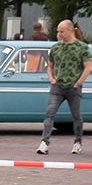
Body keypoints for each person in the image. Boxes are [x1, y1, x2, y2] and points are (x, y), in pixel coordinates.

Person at [37, 19, 88, 155]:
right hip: (57, 87)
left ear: (70, 31)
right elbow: (50, 66)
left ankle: (77, 142)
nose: (59, 34)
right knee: (49, 113)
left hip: (73, 87)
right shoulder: (55, 48)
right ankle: (45, 142)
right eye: (58, 31)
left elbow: (88, 67)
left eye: (62, 31)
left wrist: (79, 82)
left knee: (76, 116)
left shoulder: (82, 48)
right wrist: (51, 78)